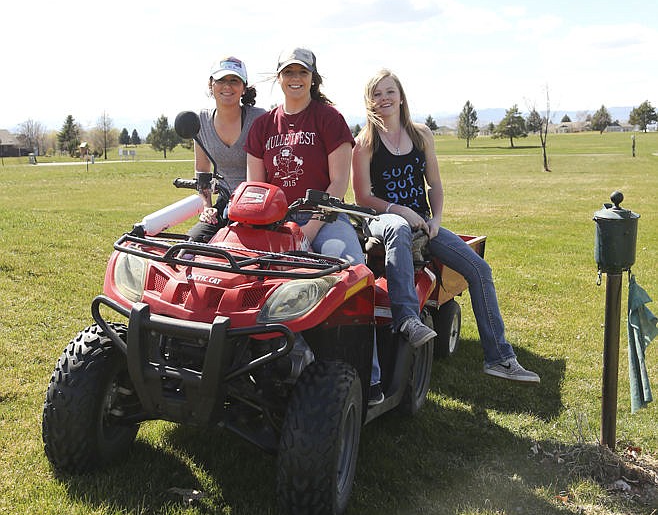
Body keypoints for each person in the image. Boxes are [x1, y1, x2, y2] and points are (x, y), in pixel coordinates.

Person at [352, 69, 540, 384]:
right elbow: (363, 197)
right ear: (369, 101)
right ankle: (407, 320)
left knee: (480, 270)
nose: (383, 99)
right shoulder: (365, 142)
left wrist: (435, 219)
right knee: (398, 228)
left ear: (400, 96)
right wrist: (399, 211)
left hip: (423, 224)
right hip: (382, 221)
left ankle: (500, 358)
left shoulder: (421, 134)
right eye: (376, 94)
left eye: (389, 92)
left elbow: (434, 185)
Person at [246, 47, 383, 403]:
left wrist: (310, 228)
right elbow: (255, 188)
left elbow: (338, 183)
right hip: (276, 223)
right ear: (279, 78)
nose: (295, 79)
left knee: (351, 270)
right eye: (288, 73)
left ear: (312, 77)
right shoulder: (263, 125)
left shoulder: (328, 118)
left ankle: (370, 378)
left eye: (302, 73)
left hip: (327, 217)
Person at [187, 56, 266, 243]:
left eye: (234, 81)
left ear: (244, 87)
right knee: (189, 247)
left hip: (258, 208)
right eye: (221, 80)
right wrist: (207, 207)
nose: (227, 86)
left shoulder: (260, 119)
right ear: (210, 85)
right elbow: (202, 172)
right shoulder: (201, 121)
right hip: (224, 206)